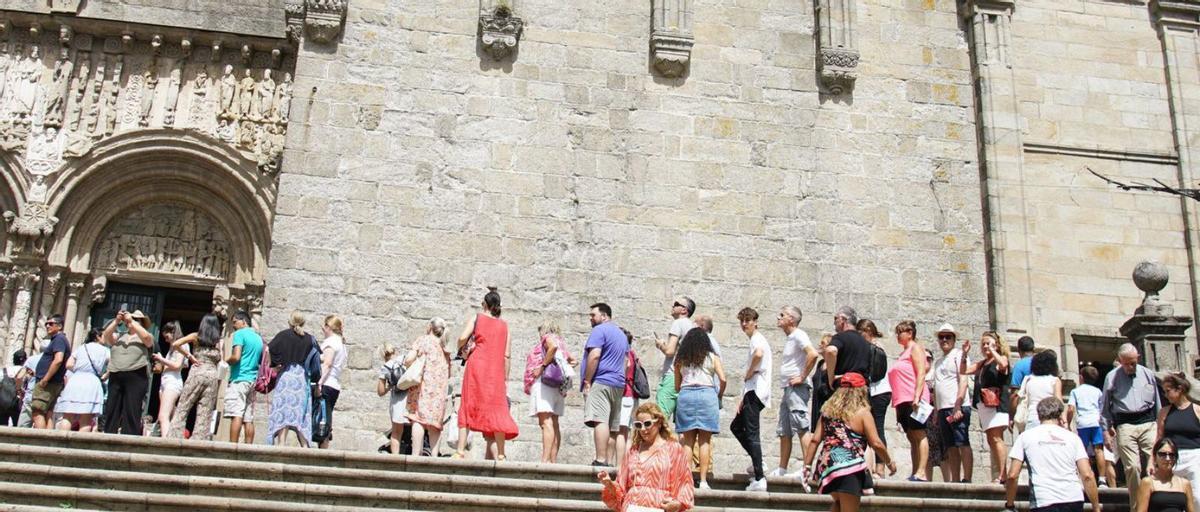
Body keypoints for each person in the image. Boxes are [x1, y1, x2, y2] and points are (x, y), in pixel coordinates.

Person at [803, 373, 897, 512]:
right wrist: (889, 462)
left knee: (839, 503)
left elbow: (815, 440)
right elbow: (876, 443)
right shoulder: (863, 413)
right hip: (849, 466)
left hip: (827, 466)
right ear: (861, 391)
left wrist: (807, 465)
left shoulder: (827, 412)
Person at [1004, 397, 1102, 512]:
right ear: (1060, 415)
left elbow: (1012, 475)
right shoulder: (1073, 438)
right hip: (1073, 499)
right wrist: (1096, 507)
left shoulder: (1025, 437)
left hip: (1043, 500)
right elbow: (1087, 475)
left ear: (1039, 415)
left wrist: (1010, 505)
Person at [454, 288, 519, 460]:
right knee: (497, 408)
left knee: (469, 403)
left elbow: (461, 338)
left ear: (485, 304)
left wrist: (462, 345)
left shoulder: (477, 318)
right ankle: (502, 454)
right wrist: (505, 377)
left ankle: (460, 451)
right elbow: (507, 355)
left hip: (477, 366)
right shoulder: (505, 326)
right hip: (496, 371)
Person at [598, 402, 694, 512]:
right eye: (638, 425)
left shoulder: (673, 448)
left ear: (659, 423)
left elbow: (685, 481)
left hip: (660, 507)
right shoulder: (633, 451)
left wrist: (677, 504)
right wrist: (609, 484)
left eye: (647, 424)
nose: (643, 429)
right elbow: (621, 487)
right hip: (632, 506)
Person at [1102, 343, 1161, 510]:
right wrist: (1106, 430)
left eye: (1133, 362)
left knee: (1156, 460)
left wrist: (1159, 424)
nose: (1131, 366)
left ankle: (1157, 500)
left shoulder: (1148, 374)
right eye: (1127, 363)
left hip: (1148, 422)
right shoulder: (1112, 377)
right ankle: (1137, 506)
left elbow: (1157, 401)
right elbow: (1105, 406)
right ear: (1120, 361)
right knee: (1133, 466)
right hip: (1125, 423)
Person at [673, 327, 726, 490]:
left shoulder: (680, 359)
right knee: (705, 441)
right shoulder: (712, 357)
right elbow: (723, 379)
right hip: (707, 394)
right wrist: (719, 395)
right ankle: (703, 481)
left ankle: (686, 480)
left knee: (687, 441)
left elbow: (677, 386)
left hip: (687, 394)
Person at [581, 302, 629, 467]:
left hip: (602, 381)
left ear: (604, 316)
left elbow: (594, 355)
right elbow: (625, 362)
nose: (591, 318)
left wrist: (587, 380)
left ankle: (600, 459)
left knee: (600, 420)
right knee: (613, 425)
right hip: (618, 383)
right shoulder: (621, 334)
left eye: (593, 315)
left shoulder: (599, 330)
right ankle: (608, 461)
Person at [960, 331, 1011, 483]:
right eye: (983, 344)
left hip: (996, 405)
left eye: (988, 343)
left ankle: (1003, 474)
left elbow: (1003, 365)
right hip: (985, 405)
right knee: (991, 439)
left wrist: (994, 350)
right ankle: (1000, 473)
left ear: (996, 344)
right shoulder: (982, 363)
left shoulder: (1000, 359)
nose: (985, 346)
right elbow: (964, 371)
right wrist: (964, 354)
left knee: (996, 438)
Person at [773, 305, 817, 478]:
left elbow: (812, 354)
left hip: (796, 387)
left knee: (801, 426)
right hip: (788, 388)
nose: (778, 317)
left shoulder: (799, 335)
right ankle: (782, 468)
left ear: (791, 319)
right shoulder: (791, 338)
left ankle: (807, 469)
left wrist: (802, 376)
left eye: (782, 314)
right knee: (784, 429)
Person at [732, 307, 772, 491]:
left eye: (747, 320)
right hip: (752, 392)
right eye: (742, 320)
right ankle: (759, 461)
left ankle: (759, 476)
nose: (744, 324)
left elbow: (758, 354)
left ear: (755, 321)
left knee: (752, 432)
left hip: (756, 390)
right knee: (736, 427)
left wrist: (748, 373)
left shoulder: (757, 338)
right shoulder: (755, 339)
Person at [168, 314, 225, 441]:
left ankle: (174, 437)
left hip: (197, 372)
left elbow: (176, 344)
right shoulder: (219, 341)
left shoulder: (196, 336)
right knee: (205, 411)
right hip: (212, 376)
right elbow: (222, 359)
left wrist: (189, 356)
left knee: (184, 406)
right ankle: (199, 440)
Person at [886, 320, 929, 481]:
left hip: (914, 398)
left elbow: (921, 373)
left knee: (919, 433)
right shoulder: (903, 353)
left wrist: (917, 396)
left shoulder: (915, 348)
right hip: (902, 400)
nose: (897, 335)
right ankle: (915, 471)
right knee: (911, 436)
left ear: (910, 333)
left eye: (900, 332)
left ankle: (922, 472)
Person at [930, 323, 972, 483]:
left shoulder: (959, 356)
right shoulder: (939, 362)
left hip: (957, 407)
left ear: (954, 339)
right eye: (941, 337)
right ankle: (955, 480)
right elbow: (936, 387)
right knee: (951, 446)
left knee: (962, 442)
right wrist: (936, 411)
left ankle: (966, 478)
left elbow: (963, 380)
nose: (944, 340)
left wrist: (958, 405)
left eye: (948, 337)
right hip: (943, 409)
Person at [266, 311, 316, 446]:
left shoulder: (283, 335)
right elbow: (316, 358)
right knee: (301, 411)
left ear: (290, 322)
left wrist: (275, 365)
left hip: (286, 375)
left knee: (283, 409)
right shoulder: (310, 339)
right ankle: (305, 445)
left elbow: (269, 349)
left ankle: (281, 442)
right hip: (301, 377)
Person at [100, 309, 153, 435]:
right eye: (130, 319)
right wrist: (116, 321)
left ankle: (129, 436)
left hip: (136, 375)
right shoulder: (120, 336)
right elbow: (106, 336)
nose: (130, 322)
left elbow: (146, 338)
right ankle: (109, 434)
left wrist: (130, 320)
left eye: (136, 320)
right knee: (112, 407)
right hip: (117, 373)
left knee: (132, 408)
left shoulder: (146, 336)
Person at [527, 321, 573, 463]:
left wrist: (542, 366)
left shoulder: (547, 338)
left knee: (545, 422)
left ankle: (544, 460)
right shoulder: (562, 343)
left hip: (545, 383)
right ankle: (553, 461)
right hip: (558, 385)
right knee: (554, 422)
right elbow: (572, 361)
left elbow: (551, 347)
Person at [405, 317, 451, 457]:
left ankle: (416, 455)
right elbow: (449, 372)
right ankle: (434, 457)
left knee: (418, 419)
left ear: (430, 327)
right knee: (435, 423)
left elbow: (408, 360)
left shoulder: (423, 340)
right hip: (439, 390)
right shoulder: (445, 347)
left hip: (423, 386)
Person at [1157, 372, 1200, 511]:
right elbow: (1159, 438)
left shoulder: (1197, 410)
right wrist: (1153, 460)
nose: (1165, 395)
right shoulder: (1164, 412)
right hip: (1172, 458)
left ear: (1179, 389)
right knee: (1174, 498)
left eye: (1168, 391)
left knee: (1197, 497)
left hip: (1195, 457)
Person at [55, 327, 109, 432]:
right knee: (86, 417)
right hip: (91, 381)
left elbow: (69, 364)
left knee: (68, 415)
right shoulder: (105, 350)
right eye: (104, 336)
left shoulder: (81, 347)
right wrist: (105, 375)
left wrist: (80, 369)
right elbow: (114, 365)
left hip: (75, 380)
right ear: (98, 336)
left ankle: (61, 443)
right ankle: (78, 445)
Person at [857, 319, 891, 478]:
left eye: (861, 334)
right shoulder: (871, 347)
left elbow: (875, 373)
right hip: (873, 392)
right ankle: (868, 466)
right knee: (867, 430)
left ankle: (880, 467)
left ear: (868, 332)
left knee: (877, 429)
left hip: (879, 392)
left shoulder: (876, 347)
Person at [225, 311, 262, 444]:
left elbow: (236, 356)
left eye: (235, 322)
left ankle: (232, 447)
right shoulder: (258, 338)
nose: (234, 326)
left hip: (239, 379)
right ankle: (248, 448)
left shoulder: (239, 334)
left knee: (236, 414)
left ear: (243, 321)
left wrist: (226, 360)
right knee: (248, 418)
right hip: (252, 380)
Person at [654, 296, 695, 419]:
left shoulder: (678, 323)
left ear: (684, 310)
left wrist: (661, 345)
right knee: (682, 425)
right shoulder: (692, 327)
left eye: (676, 304)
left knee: (660, 418)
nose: (673, 306)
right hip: (687, 378)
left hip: (672, 376)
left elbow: (670, 351)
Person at [1067, 365, 1108, 487]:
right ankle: (1102, 479)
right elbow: (1102, 408)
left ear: (1081, 377)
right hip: (1096, 422)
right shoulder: (1098, 391)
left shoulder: (1075, 391)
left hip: (1083, 423)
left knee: (1082, 451)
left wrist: (1068, 423)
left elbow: (1070, 408)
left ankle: (1085, 476)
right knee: (1099, 450)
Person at [32, 314, 71, 430]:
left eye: (51, 324)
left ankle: (41, 441)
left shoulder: (59, 339)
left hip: (48, 383)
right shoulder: (59, 339)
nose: (47, 326)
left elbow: (58, 360)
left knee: (37, 411)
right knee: (48, 413)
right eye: (46, 323)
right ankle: (48, 441)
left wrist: (45, 379)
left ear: (59, 326)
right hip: (54, 382)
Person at [315, 315, 348, 449]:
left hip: (327, 384)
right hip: (334, 385)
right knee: (325, 416)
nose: (323, 329)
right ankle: (323, 447)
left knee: (323, 419)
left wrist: (319, 383)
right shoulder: (341, 343)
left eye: (324, 326)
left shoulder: (331, 342)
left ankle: (323, 451)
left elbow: (327, 364)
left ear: (329, 327)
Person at [1136, 438, 1194, 512]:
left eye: (1171, 455)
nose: (1167, 458)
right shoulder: (1148, 482)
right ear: (1154, 456)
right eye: (1162, 454)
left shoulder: (1185, 484)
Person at [152, 321, 188, 438]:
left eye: (167, 336)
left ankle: (165, 443)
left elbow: (177, 365)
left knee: (163, 416)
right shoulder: (172, 348)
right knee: (171, 415)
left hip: (172, 382)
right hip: (165, 382)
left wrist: (161, 359)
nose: (166, 340)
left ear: (173, 332)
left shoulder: (182, 345)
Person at [610, 329, 639, 468]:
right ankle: (624, 465)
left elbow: (626, 368)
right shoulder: (634, 354)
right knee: (626, 432)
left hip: (624, 393)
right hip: (631, 395)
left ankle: (619, 466)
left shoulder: (625, 354)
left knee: (618, 431)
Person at [1019, 350, 1062, 432]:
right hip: (1050, 419)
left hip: (1032, 418)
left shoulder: (1028, 379)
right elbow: (1059, 401)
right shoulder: (1055, 380)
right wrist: (1064, 420)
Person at [377, 343, 408, 454]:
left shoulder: (385, 368)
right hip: (411, 398)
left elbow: (380, 392)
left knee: (396, 433)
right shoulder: (406, 359)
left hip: (397, 402)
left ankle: (395, 459)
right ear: (395, 351)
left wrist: (389, 387)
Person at [1008, 335, 1037, 433]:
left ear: (1019, 350)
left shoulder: (1019, 366)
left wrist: (1011, 416)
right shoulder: (1042, 363)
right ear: (1033, 349)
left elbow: (1014, 394)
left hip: (1027, 412)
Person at [17, 345, 41, 428]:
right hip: (45, 397)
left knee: (23, 425)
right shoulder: (53, 360)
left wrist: (19, 390)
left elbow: (20, 377)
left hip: (30, 395)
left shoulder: (32, 359)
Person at [3, 350, 28, 426]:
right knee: (17, 425)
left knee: (2, 426)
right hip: (18, 402)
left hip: (3, 402)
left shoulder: (4, 370)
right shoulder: (26, 371)